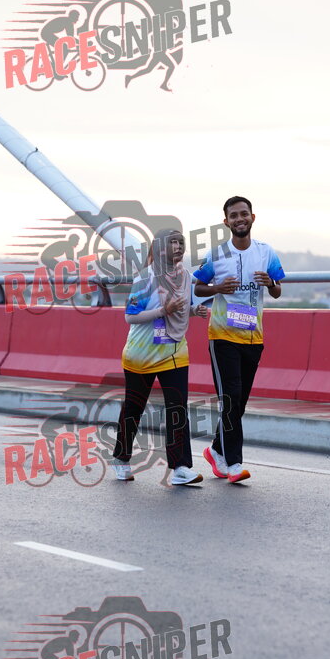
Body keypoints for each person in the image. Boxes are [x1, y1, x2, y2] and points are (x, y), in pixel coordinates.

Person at [194, 196, 285, 483]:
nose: (239, 219)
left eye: (244, 214)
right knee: (231, 400)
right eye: (233, 216)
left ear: (252, 217)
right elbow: (198, 288)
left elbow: (278, 292)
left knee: (239, 403)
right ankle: (233, 464)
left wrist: (270, 283)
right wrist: (218, 287)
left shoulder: (266, 252)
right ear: (226, 222)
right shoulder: (217, 254)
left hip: (254, 337)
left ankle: (216, 450)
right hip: (222, 336)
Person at [113, 228, 207, 485]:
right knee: (134, 407)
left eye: (181, 242)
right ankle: (121, 458)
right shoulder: (145, 277)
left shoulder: (185, 276)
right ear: (159, 248)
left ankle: (180, 468)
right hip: (141, 353)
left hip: (174, 350)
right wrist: (163, 310)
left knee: (178, 408)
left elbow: (182, 307)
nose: (178, 247)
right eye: (172, 242)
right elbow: (130, 316)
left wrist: (194, 310)